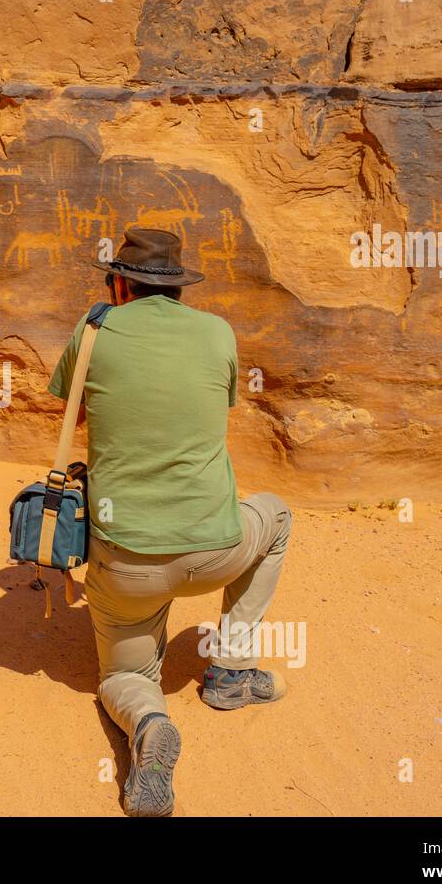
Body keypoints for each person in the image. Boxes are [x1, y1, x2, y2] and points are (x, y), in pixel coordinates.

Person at [47, 227, 293, 817]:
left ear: (120, 283)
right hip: (216, 550)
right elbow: (208, 405)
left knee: (123, 677)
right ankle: (231, 673)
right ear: (178, 285)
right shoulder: (217, 333)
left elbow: (76, 411)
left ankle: (150, 720)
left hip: (124, 562)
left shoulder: (93, 331)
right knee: (276, 516)